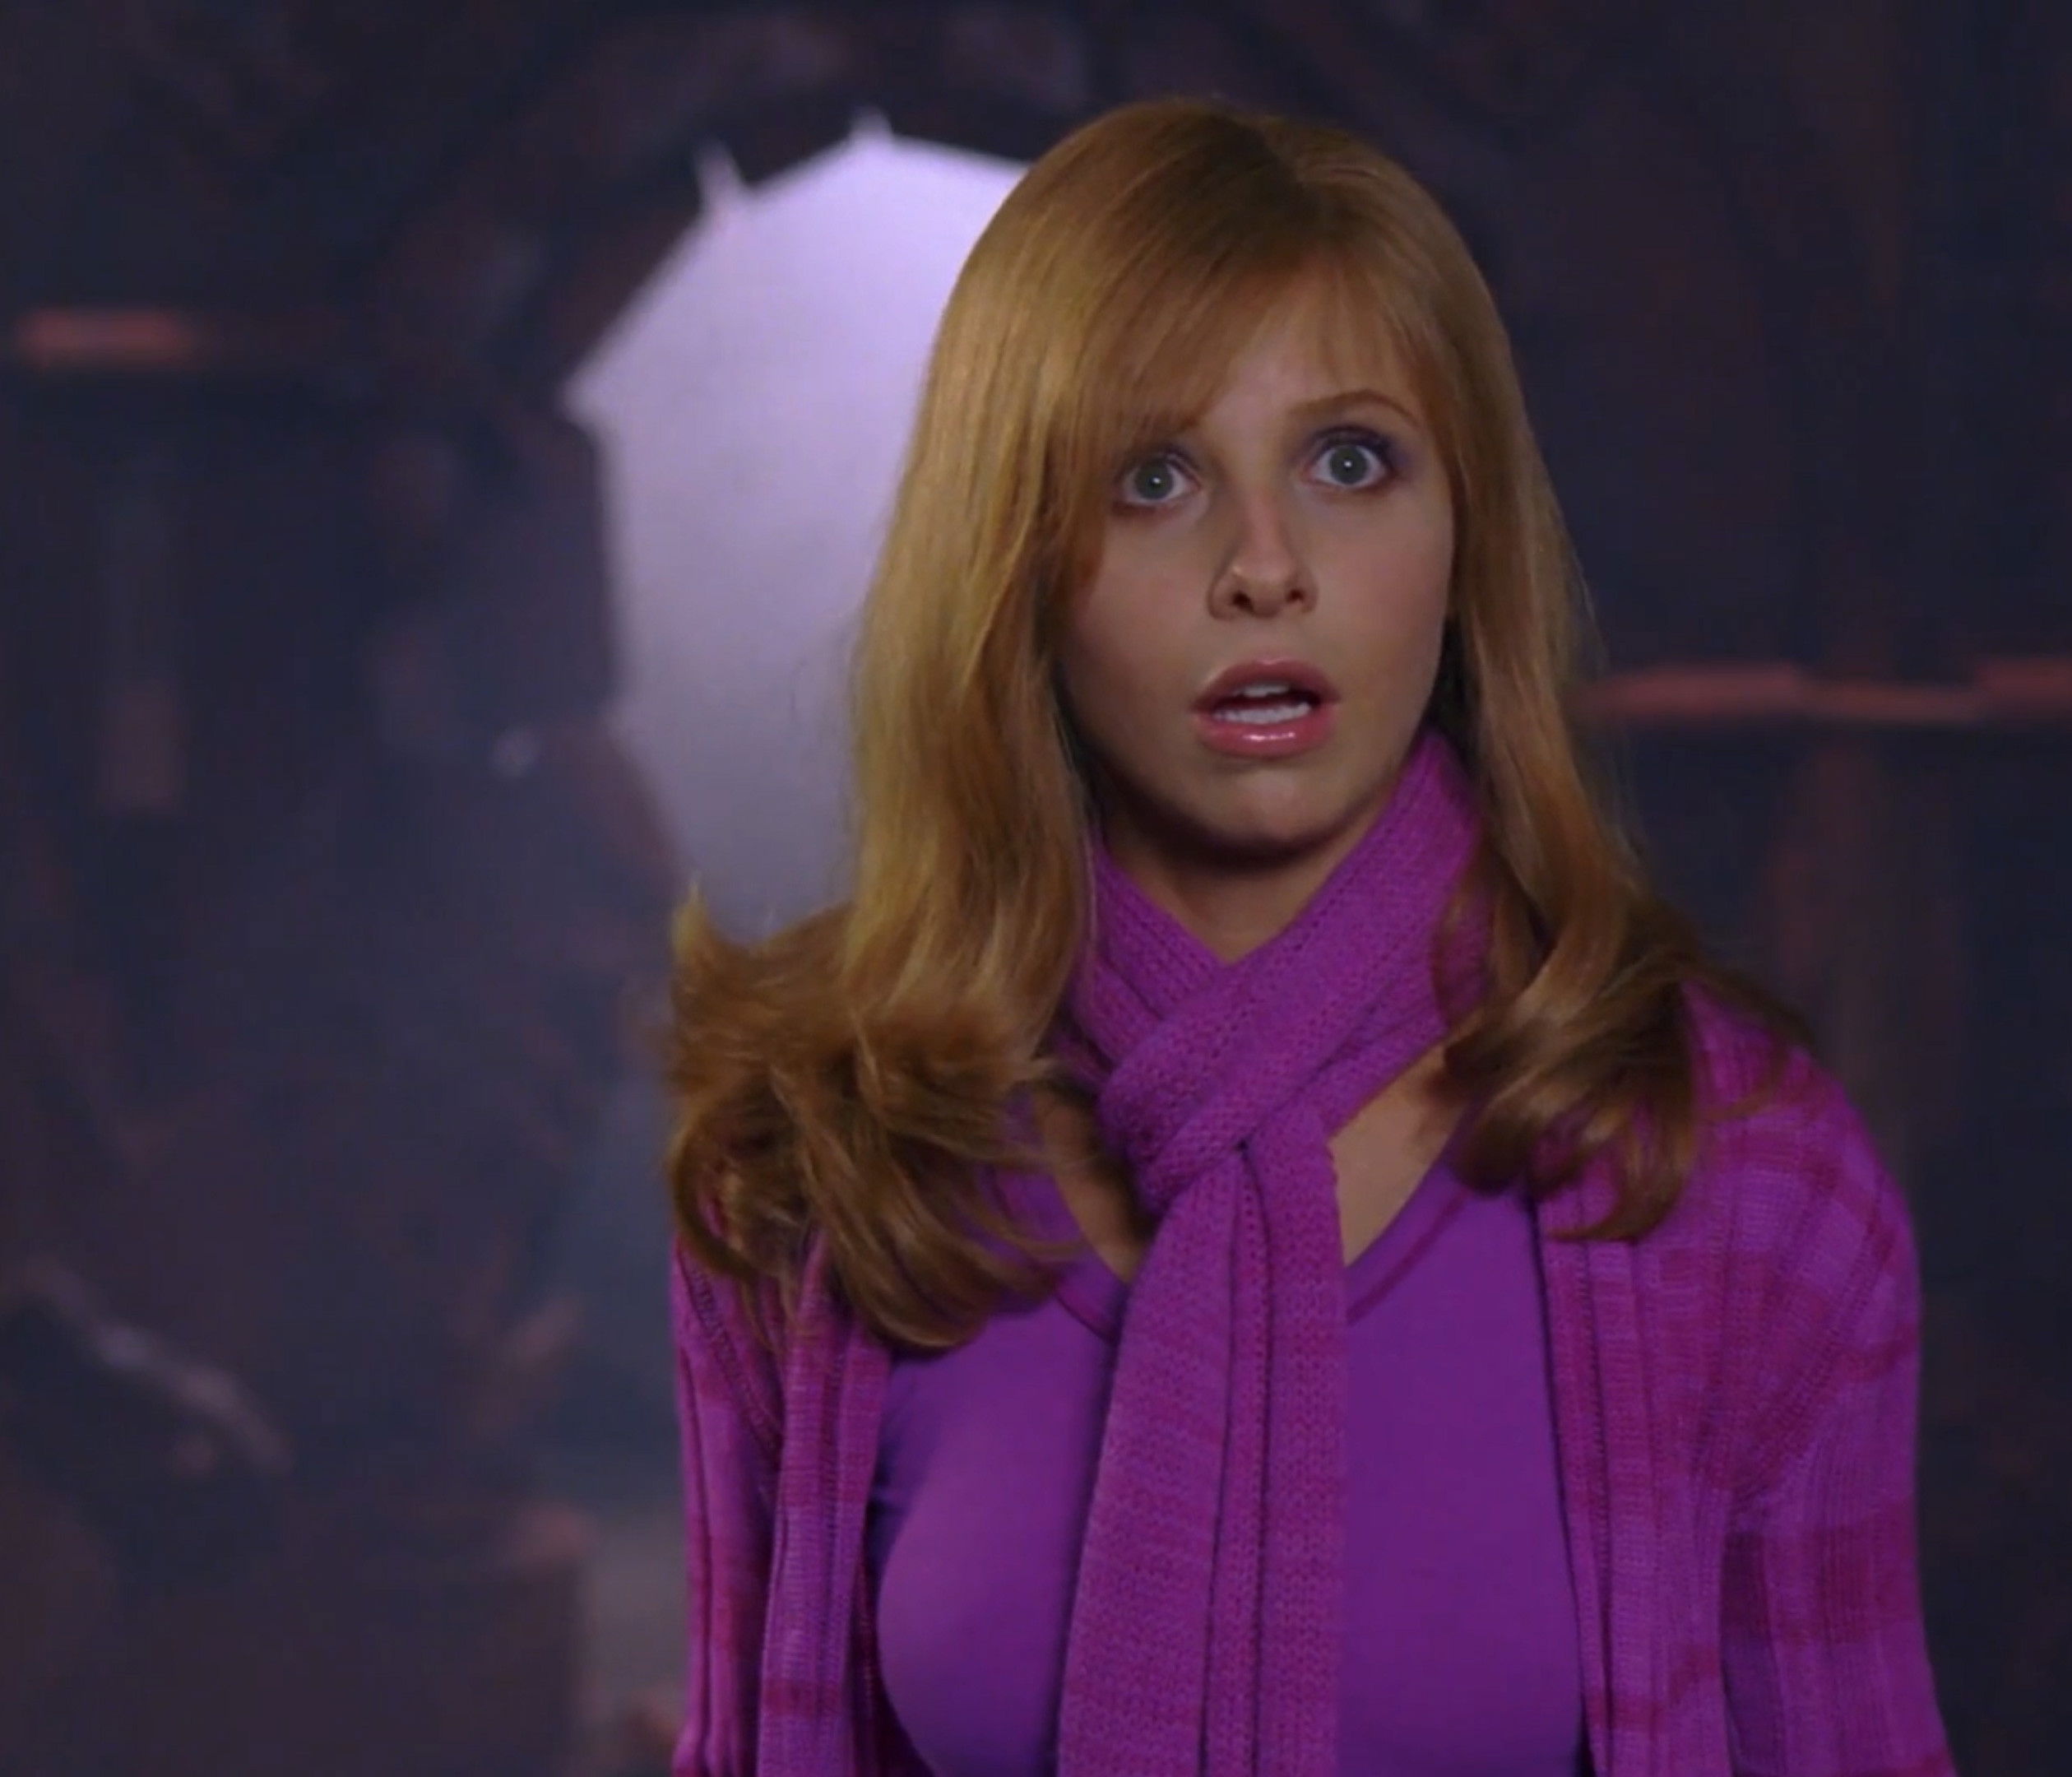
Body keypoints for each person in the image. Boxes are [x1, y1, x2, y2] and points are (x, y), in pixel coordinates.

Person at [661, 95, 1952, 1777]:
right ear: (1013, 562)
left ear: (1465, 538)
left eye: (1350, 463)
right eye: (1152, 478)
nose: (1262, 569)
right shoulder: (814, 1166)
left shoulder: (1747, 1181)